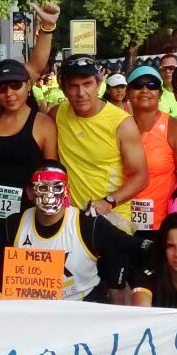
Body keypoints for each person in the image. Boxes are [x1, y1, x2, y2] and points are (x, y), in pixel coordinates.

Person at [0, 163, 141, 302]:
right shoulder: (13, 224)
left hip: (80, 308)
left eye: (57, 188)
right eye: (42, 188)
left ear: (66, 191)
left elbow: (129, 245)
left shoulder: (87, 224)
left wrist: (159, 246)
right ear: (30, 193)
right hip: (28, 313)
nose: (49, 195)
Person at [51, 54, 148, 233]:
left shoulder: (122, 123)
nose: (81, 93)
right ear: (63, 89)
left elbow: (141, 177)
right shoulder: (57, 114)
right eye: (73, 86)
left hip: (113, 221)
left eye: (87, 84)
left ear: (98, 84)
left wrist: (108, 202)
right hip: (71, 221)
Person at [0, 59, 57, 227]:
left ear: (28, 86)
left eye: (16, 85)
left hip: (29, 218)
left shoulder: (44, 125)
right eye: (1, 88)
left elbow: (51, 176)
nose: (9, 93)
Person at [126, 66, 177, 230]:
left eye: (152, 85)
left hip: (163, 225)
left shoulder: (176, 129)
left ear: (160, 94)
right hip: (123, 223)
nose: (145, 90)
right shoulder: (119, 127)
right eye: (138, 85)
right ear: (128, 92)